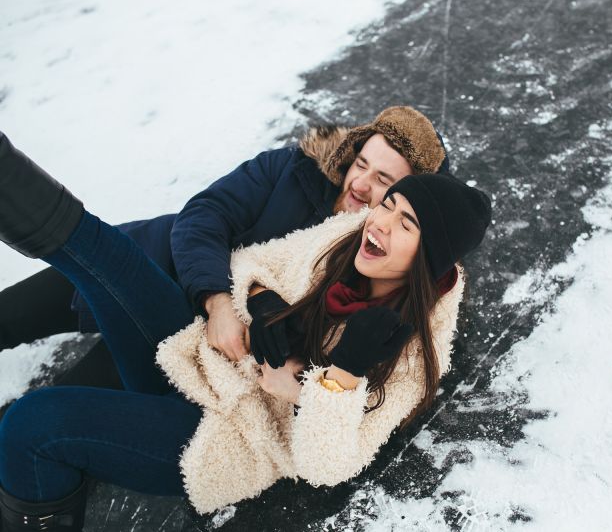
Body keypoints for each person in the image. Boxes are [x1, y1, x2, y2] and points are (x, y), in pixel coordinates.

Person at [0, 133, 491, 529]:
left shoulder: (413, 353)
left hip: (227, 435)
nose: (377, 221)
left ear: (427, 258)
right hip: (208, 357)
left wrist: (336, 377)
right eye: (389, 204)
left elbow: (328, 465)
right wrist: (260, 299)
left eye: (404, 222)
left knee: (33, 422)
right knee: (109, 253)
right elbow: (253, 258)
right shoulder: (345, 235)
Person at [0, 106, 450, 389]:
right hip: (149, 258)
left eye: (384, 180)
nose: (360, 184)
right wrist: (219, 301)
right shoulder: (292, 170)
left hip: (172, 334)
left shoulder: (374, 259)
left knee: (53, 403)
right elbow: (203, 216)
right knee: (10, 313)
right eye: (361, 164)